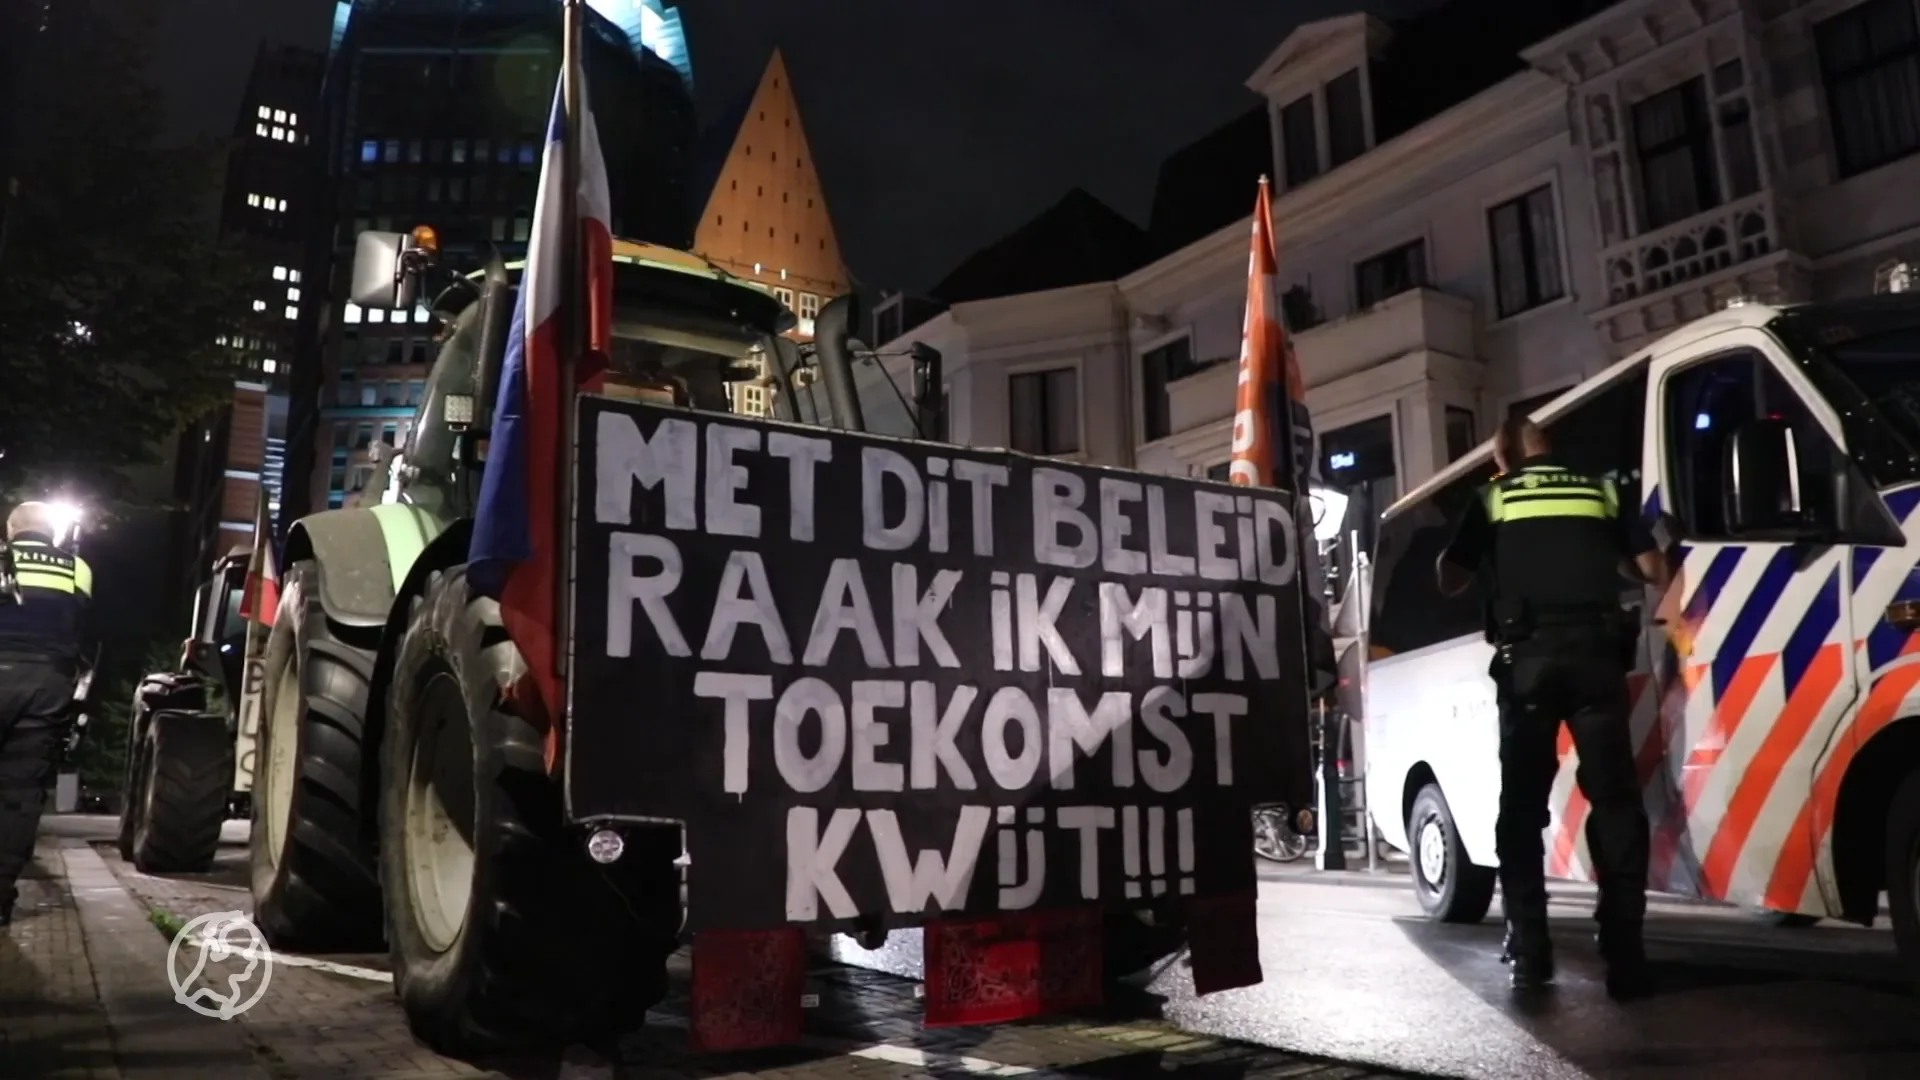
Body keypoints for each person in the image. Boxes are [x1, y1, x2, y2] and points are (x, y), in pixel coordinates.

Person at [1435, 416, 1668, 998]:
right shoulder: (1603, 490)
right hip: (1597, 662)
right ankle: (1624, 951)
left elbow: (1450, 580)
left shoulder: (1493, 496)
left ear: (1505, 456)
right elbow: (1651, 570)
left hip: (1528, 668)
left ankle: (1531, 950)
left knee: (1520, 809)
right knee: (1615, 802)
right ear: (1550, 448)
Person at [0, 502, 92, 927]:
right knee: (20, 794)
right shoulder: (77, 568)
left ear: (11, 530)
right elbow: (82, 624)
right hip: (46, 684)